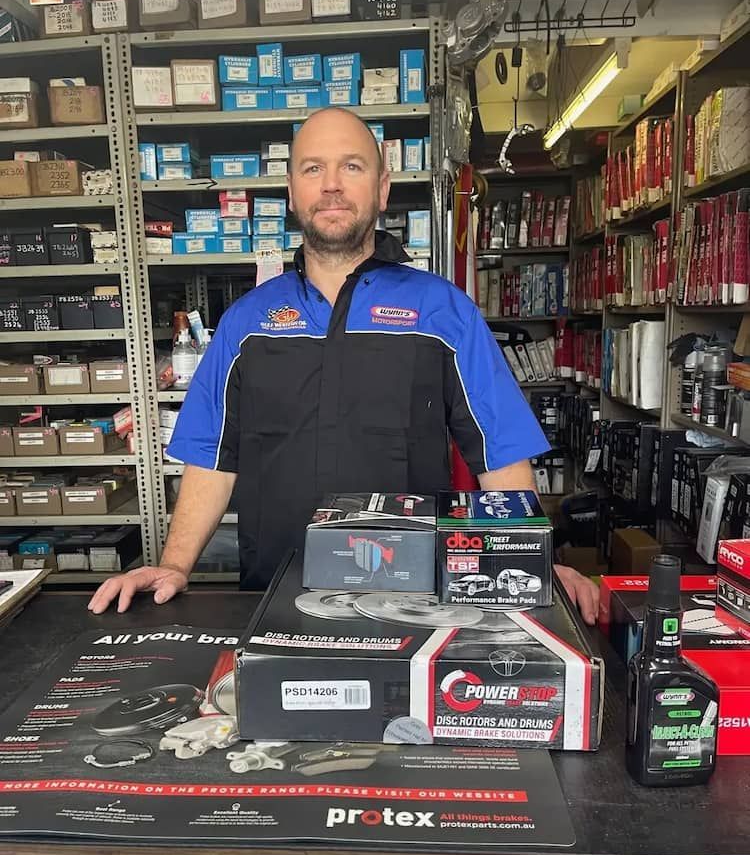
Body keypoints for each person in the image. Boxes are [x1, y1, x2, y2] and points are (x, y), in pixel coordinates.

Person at [89, 107, 599, 623]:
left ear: (382, 189)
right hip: (274, 601)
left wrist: (536, 565)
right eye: (313, 169)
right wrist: (175, 566)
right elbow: (211, 459)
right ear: (292, 192)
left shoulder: (442, 313)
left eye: (352, 167)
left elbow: (500, 452)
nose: (331, 186)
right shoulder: (247, 324)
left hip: (413, 605)